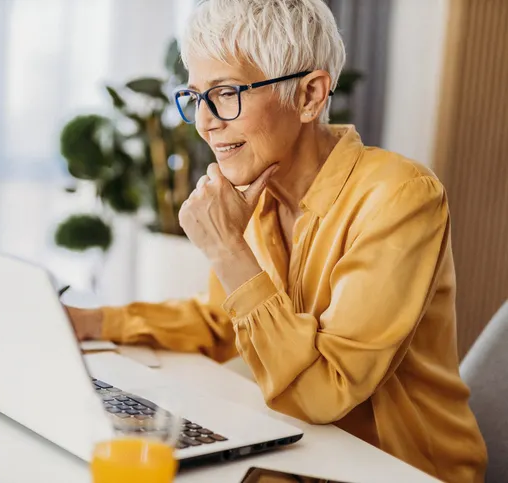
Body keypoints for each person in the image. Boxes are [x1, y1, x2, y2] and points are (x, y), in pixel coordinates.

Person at [67, 1, 487, 481]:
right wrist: (95, 321)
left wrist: (228, 248)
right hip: (305, 457)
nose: (206, 121)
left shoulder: (400, 197)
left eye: (226, 93)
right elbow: (220, 321)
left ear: (310, 95)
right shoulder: (255, 194)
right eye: (195, 96)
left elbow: (325, 393)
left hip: (396, 468)